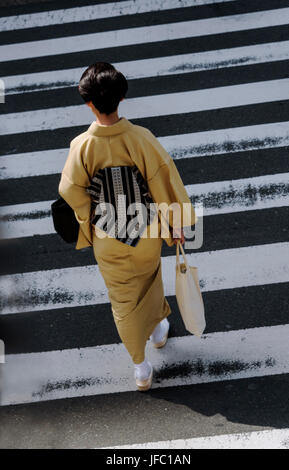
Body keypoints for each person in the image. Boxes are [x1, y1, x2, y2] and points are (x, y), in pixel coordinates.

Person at [58, 62, 197, 391]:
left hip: (108, 234)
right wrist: (175, 225)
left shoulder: (82, 147)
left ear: (88, 103)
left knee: (122, 301)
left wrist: (92, 217)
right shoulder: (141, 139)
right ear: (122, 98)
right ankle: (159, 329)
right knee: (149, 279)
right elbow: (165, 182)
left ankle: (140, 367)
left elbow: (70, 190)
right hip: (145, 230)